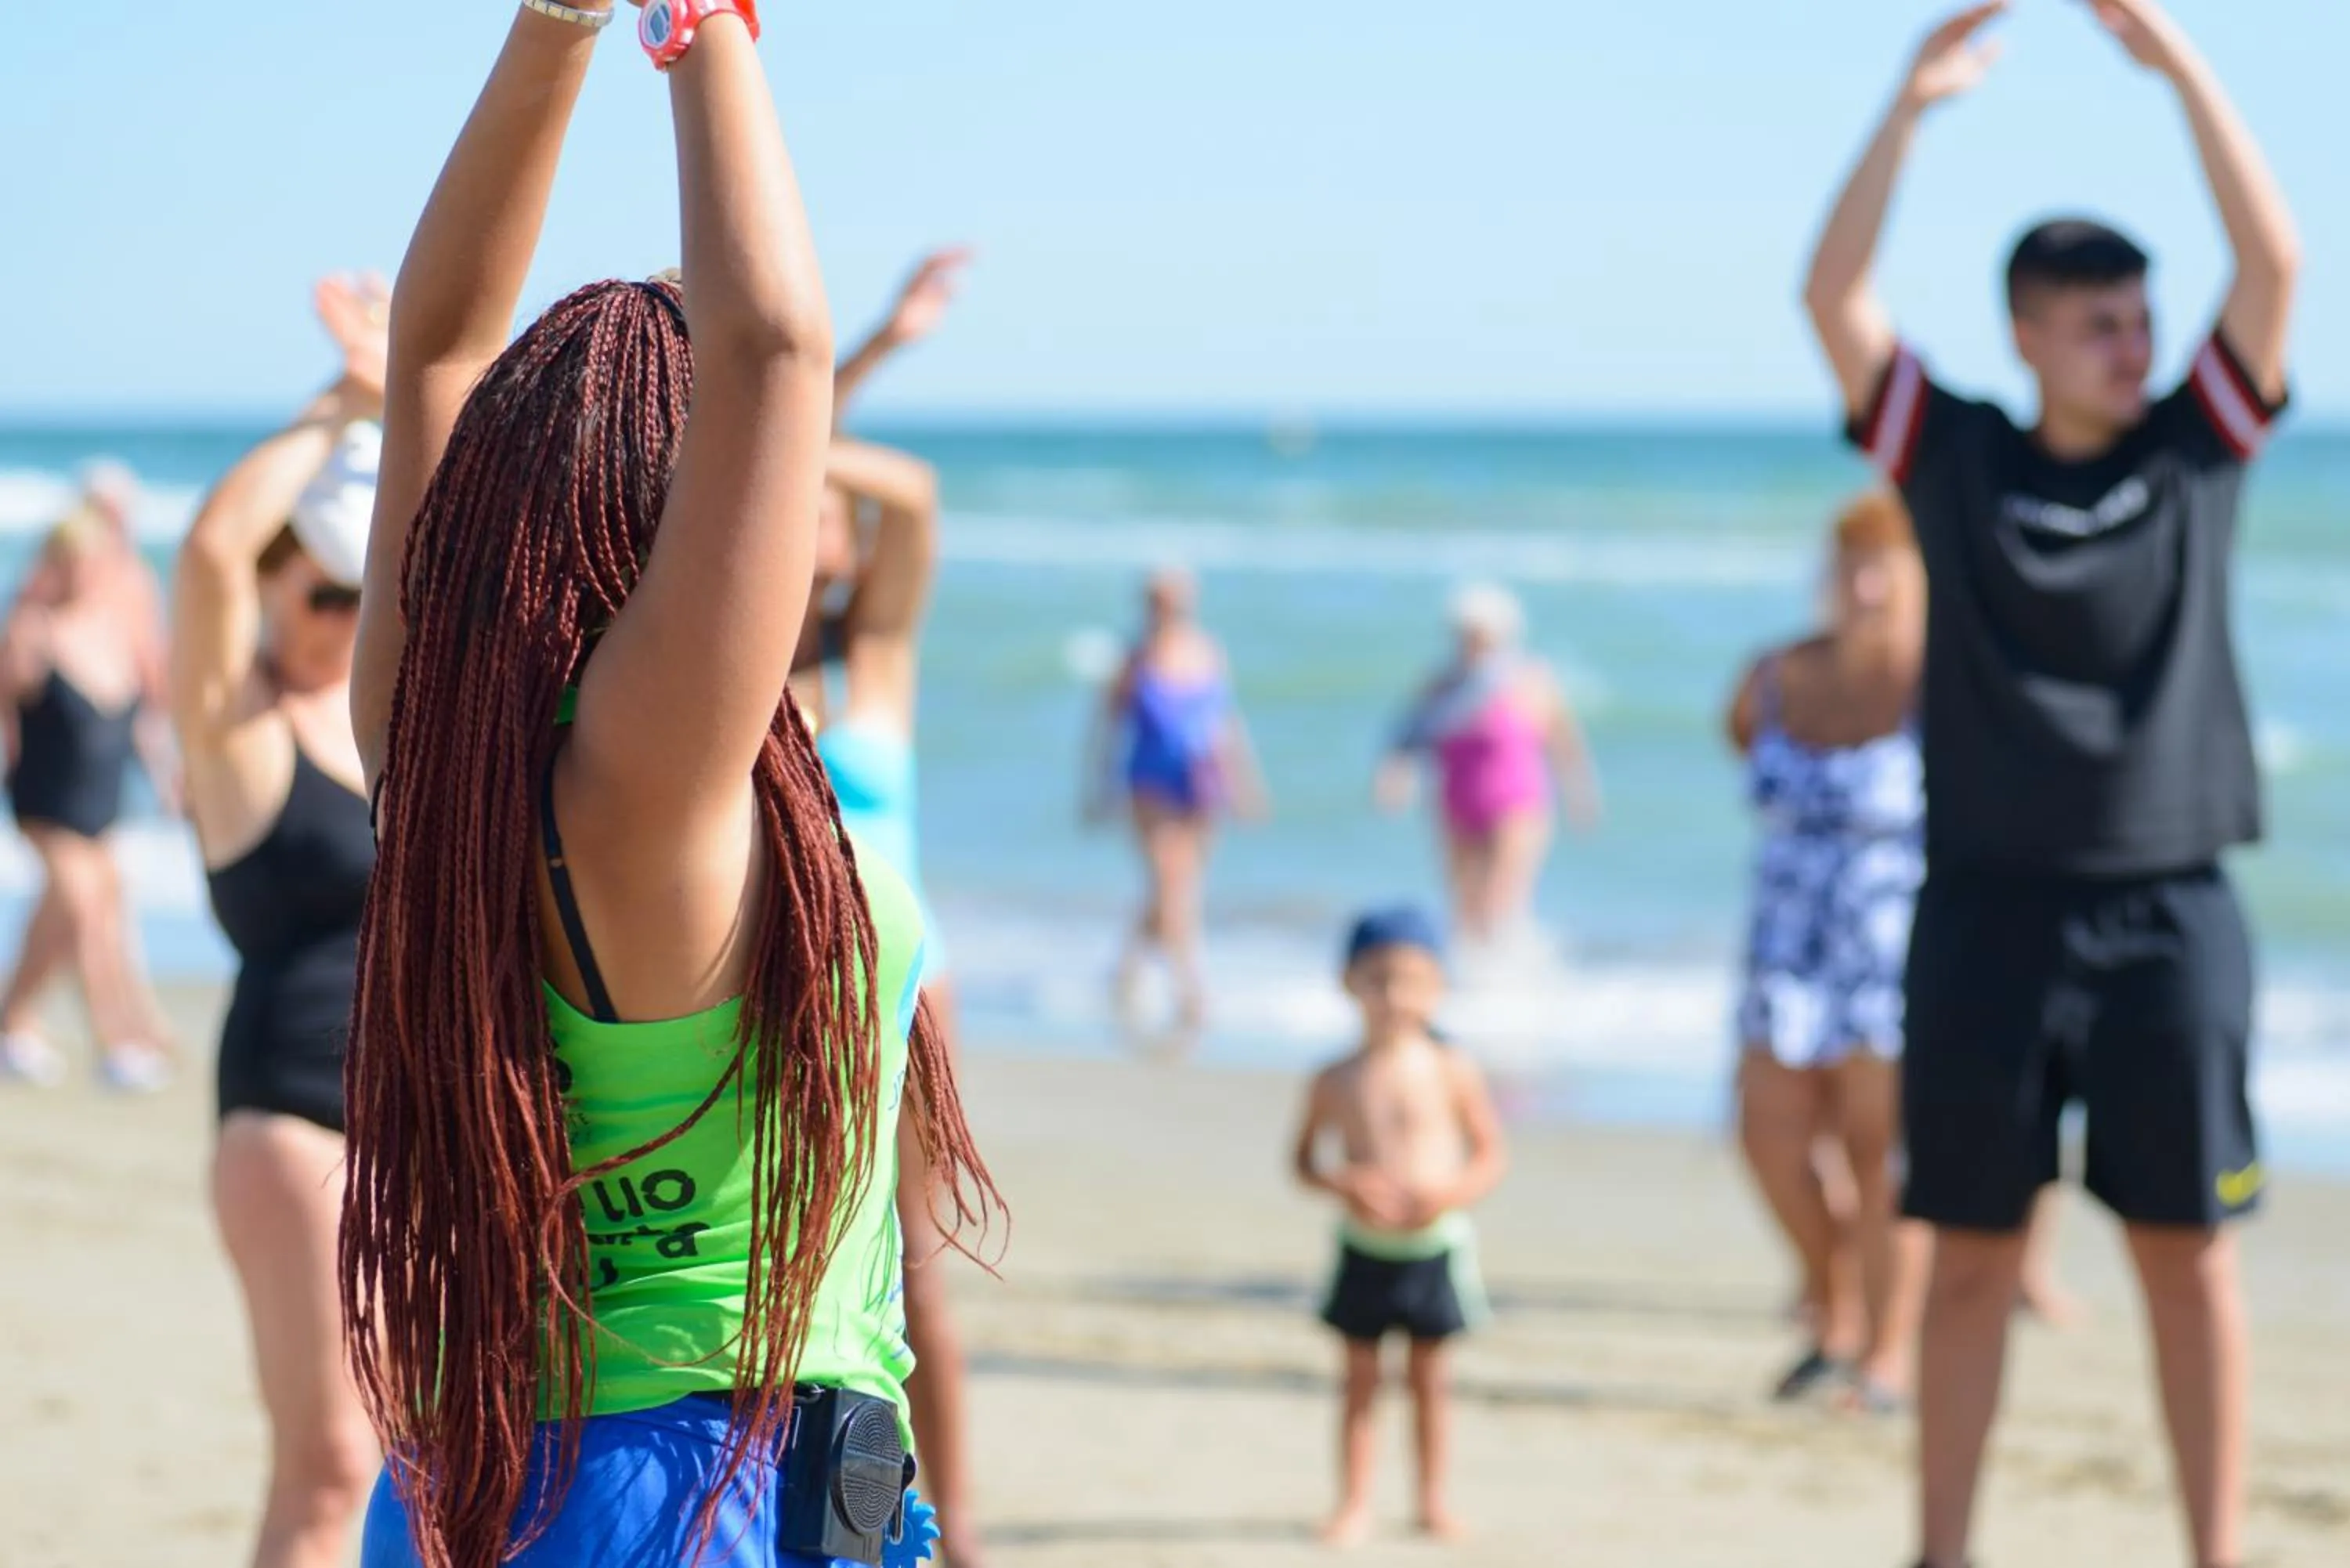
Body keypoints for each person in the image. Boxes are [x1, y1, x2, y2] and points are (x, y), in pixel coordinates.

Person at [342, 5, 996, 1566]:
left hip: (477, 1469)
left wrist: (562, 22)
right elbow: (777, 353)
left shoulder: (431, 739)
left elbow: (433, 348)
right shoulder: (652, 784)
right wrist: (698, 25)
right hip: (704, 1483)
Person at [1802, 3, 2298, 1565]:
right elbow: (1832, 293)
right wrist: (1909, 107)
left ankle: (2214, 1550)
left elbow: (2274, 266)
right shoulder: (1953, 456)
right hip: (1987, 912)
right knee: (1964, 1256)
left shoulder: (2195, 447)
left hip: (2172, 909)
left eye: (2140, 321)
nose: (2132, 347)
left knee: (2185, 1255)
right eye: (2098, 326)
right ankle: (1942, 1549)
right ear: (2026, 331)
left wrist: (2183, 73)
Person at [169, 275, 386, 1568]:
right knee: (328, 1466)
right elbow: (203, 552)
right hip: (291, 1111)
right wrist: (343, 401)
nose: (341, 624)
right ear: (275, 586)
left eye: (362, 601)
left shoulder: (380, 722)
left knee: (400, 1456)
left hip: (410, 1120)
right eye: (321, 596)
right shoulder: (236, 731)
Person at [790, 253, 985, 1567]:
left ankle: (953, 1525)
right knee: (802, 1271)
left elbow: (910, 492)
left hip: (905, 986)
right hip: (771, 982)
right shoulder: (707, 666)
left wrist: (853, 367)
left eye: (816, 500)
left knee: (914, 1266)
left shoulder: (874, 659)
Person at [1726, 491, 1931, 1413]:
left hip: (1892, 939)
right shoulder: (1772, 673)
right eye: (1852, 560)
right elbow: (1740, 749)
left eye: (1886, 560)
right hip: (1785, 935)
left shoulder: (1942, 680)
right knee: (1767, 1132)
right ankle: (1833, 1294)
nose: (1867, 581)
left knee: (1878, 1151)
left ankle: (1884, 1353)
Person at [1292, 906, 1505, 1548]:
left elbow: (1491, 1153)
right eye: (1378, 979)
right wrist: (1344, 1183)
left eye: (1411, 980)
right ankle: (1354, 1500)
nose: (1393, 996)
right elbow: (1302, 1162)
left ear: (1438, 986)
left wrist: (1452, 1194)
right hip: (1363, 1247)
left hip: (1434, 1248)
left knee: (1429, 1380)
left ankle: (1430, 1498)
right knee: (1359, 1379)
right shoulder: (1333, 1078)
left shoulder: (1452, 1067)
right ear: (1347, 982)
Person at [0, 484, 177, 1087]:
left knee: (70, 914)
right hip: (44, 799)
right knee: (83, 903)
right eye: (67, 561)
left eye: (88, 561)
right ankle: (117, 1043)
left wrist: (168, 777)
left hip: (103, 796)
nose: (78, 573)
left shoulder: (121, 627)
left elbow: (149, 716)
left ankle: (11, 1022)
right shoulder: (29, 629)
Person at [1083, 567, 1267, 1032]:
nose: (1166, 610)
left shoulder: (1208, 651)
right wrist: (1097, 786)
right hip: (1150, 783)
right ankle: (1189, 990)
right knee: (1171, 883)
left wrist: (1245, 782)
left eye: (1175, 601)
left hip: (1203, 783)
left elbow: (1225, 723)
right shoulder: (1135, 659)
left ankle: (1124, 972)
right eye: (1157, 601)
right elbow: (1106, 727)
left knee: (1178, 887)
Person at [1375, 583, 1600, 949]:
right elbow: (1407, 737)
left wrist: (1581, 798)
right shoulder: (1442, 684)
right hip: (1458, 801)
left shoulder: (1530, 679)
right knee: (1464, 906)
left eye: (1480, 635)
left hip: (1517, 802)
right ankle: (1470, 982)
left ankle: (1505, 977)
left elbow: (1566, 745)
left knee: (1501, 899)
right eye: (1464, 634)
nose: (1471, 642)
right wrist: (1393, 779)